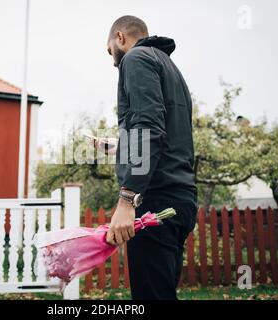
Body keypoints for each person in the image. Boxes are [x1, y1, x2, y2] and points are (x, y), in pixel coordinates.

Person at [94, 15, 198, 300]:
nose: (112, 59)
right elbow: (165, 134)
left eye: (109, 50)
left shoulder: (135, 59)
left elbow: (148, 127)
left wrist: (128, 199)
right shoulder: (169, 67)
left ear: (120, 37)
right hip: (180, 197)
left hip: (155, 197)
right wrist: (119, 147)